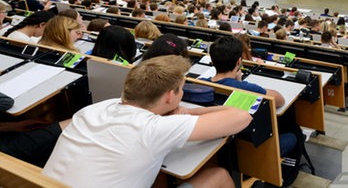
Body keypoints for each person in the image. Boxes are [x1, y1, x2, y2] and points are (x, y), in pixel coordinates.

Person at [43, 55, 251, 187]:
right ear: (170, 96)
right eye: (181, 89)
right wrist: (189, 111)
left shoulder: (91, 110)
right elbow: (242, 117)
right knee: (219, 176)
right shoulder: (154, 128)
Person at [202, 36, 296, 156]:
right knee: (293, 136)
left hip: (217, 145)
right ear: (239, 62)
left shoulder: (200, 84)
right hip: (246, 150)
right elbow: (279, 100)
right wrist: (239, 83)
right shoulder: (247, 89)